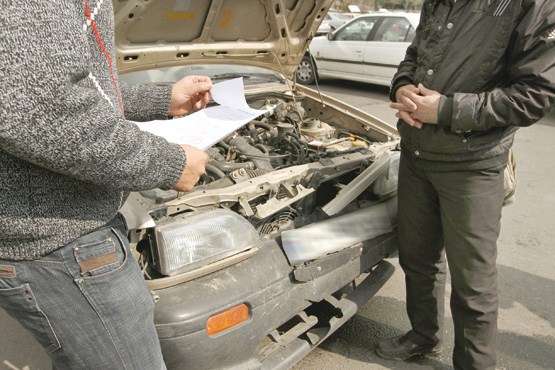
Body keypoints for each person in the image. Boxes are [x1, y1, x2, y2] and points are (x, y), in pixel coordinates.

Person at [0, 1, 212, 369]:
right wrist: (169, 164)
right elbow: (37, 108)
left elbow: (63, 86)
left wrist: (161, 99)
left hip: (64, 235)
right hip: (62, 244)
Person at [376, 0, 555, 369]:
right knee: (418, 259)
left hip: (472, 165)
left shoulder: (535, 5)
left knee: (473, 285)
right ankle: (423, 337)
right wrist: (402, 87)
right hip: (416, 154)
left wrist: (445, 110)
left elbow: (536, 95)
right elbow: (415, 54)